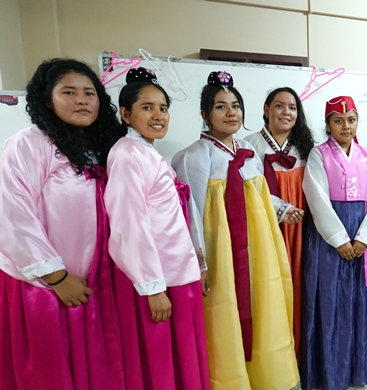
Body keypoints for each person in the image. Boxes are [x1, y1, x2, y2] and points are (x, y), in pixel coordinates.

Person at [0, 58, 125, 389]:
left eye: (89, 93)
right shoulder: (29, 143)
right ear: (46, 99)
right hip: (43, 285)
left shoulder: (97, 148)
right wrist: (56, 277)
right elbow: (11, 214)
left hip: (92, 284)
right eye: (69, 92)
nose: (82, 100)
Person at [172, 71, 300, 389]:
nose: (231, 113)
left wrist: (283, 209)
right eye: (220, 106)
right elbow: (192, 213)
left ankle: (267, 378)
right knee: (224, 312)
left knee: (264, 305)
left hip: (259, 247)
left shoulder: (247, 149)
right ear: (205, 114)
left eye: (236, 106)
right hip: (221, 251)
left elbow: (258, 195)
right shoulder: (194, 157)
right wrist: (199, 262)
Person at [104, 68, 210, 390]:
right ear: (125, 113)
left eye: (163, 108)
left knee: (183, 359)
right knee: (162, 363)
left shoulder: (149, 152)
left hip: (177, 272)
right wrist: (152, 287)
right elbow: (128, 226)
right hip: (158, 280)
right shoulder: (126, 155)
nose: (158, 115)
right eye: (147, 107)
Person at [302, 96, 367, 390]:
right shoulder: (318, 155)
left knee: (358, 301)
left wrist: (362, 238)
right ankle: (329, 372)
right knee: (330, 300)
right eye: (338, 120)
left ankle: (356, 368)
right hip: (328, 237)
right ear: (328, 125)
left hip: (362, 233)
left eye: (351, 120)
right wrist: (339, 240)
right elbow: (317, 198)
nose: (345, 126)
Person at [244, 87, 312, 358]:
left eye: (292, 108)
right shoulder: (249, 146)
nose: (286, 112)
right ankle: (272, 357)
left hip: (302, 227)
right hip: (266, 226)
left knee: (301, 285)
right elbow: (248, 191)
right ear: (266, 109)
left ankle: (300, 354)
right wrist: (281, 209)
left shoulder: (306, 148)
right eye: (280, 106)